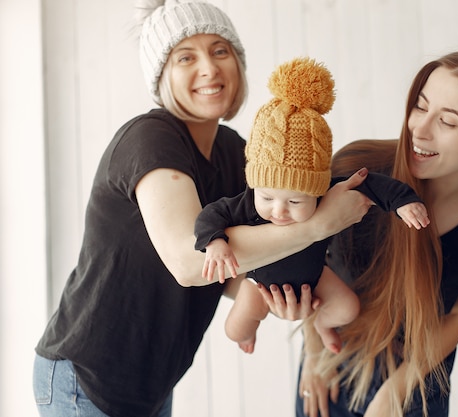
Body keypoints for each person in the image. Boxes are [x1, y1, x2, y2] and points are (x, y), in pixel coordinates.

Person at [31, 1, 373, 416]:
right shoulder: (150, 138)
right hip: (86, 376)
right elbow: (190, 263)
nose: (209, 68)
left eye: (220, 50)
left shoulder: (236, 153)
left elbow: (235, 269)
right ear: (162, 76)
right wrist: (319, 225)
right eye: (185, 57)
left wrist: (274, 293)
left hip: (152, 381)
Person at [275, 50, 458, 417]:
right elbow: (308, 261)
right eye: (420, 107)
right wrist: (312, 355)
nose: (419, 129)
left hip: (419, 381)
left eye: (447, 122)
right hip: (333, 365)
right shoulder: (356, 173)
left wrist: (395, 392)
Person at [194, 57, 430, 355]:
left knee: (348, 308)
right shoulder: (247, 203)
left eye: (294, 201)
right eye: (267, 198)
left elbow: (370, 183)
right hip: (259, 285)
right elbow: (211, 214)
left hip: (316, 276)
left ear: (318, 190)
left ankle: (322, 324)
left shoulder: (329, 193)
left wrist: (403, 202)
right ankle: (249, 331)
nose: (279, 210)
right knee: (234, 329)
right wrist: (214, 242)